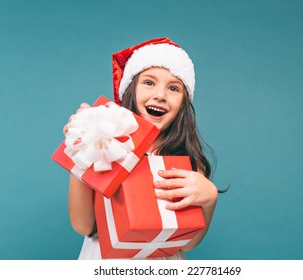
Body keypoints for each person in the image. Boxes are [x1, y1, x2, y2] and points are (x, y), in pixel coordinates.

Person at [63, 38, 218, 259]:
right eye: (149, 82)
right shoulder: (107, 146)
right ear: (129, 89)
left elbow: (187, 244)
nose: (160, 95)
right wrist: (81, 149)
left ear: (184, 103)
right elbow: (84, 226)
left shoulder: (188, 161)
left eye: (173, 88)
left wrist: (209, 199)